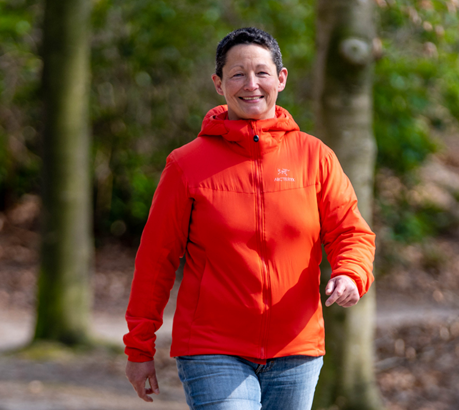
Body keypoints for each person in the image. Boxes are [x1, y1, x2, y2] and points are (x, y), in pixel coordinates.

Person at [123, 27, 376, 409]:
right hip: (211, 347)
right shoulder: (185, 165)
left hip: (297, 349)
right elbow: (155, 260)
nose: (251, 84)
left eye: (261, 72)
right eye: (237, 74)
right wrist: (139, 347)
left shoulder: (315, 157)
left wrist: (351, 273)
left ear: (281, 78)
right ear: (218, 83)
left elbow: (351, 231)